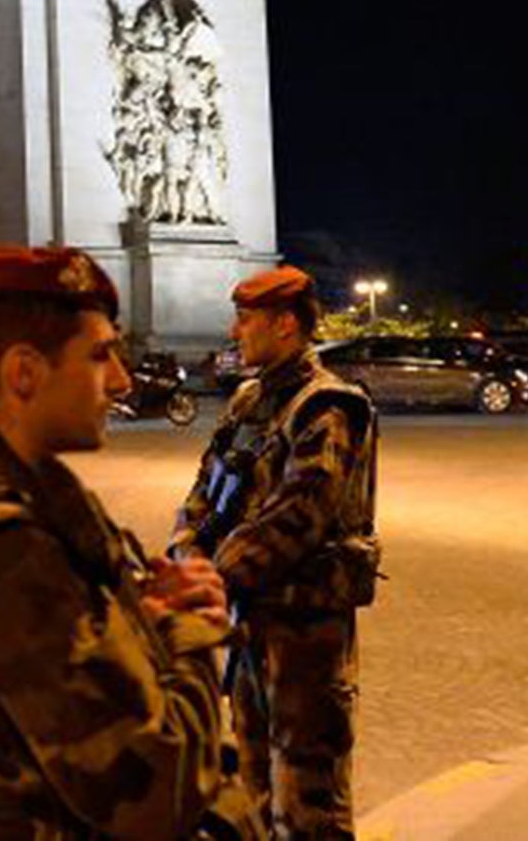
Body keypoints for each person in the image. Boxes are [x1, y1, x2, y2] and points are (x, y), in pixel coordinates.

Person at [0, 245, 261, 840]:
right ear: (23, 372)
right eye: (99, 355)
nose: (120, 381)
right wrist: (191, 631)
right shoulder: (1, 549)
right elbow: (155, 791)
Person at [170, 265, 380, 840]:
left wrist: (211, 581)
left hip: (305, 635)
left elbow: (300, 517)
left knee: (310, 799)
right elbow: (202, 494)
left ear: (285, 324)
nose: (235, 333)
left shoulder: (328, 407)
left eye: (246, 320)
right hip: (250, 626)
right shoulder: (246, 402)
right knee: (255, 790)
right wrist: (187, 555)